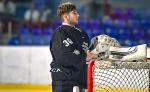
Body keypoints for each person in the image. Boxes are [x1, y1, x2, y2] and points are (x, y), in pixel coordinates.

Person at [50, 2, 90, 92]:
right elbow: (64, 57)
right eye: (74, 13)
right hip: (64, 81)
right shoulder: (59, 33)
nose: (78, 15)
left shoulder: (82, 33)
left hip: (81, 80)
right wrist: (85, 57)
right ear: (66, 16)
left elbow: (86, 53)